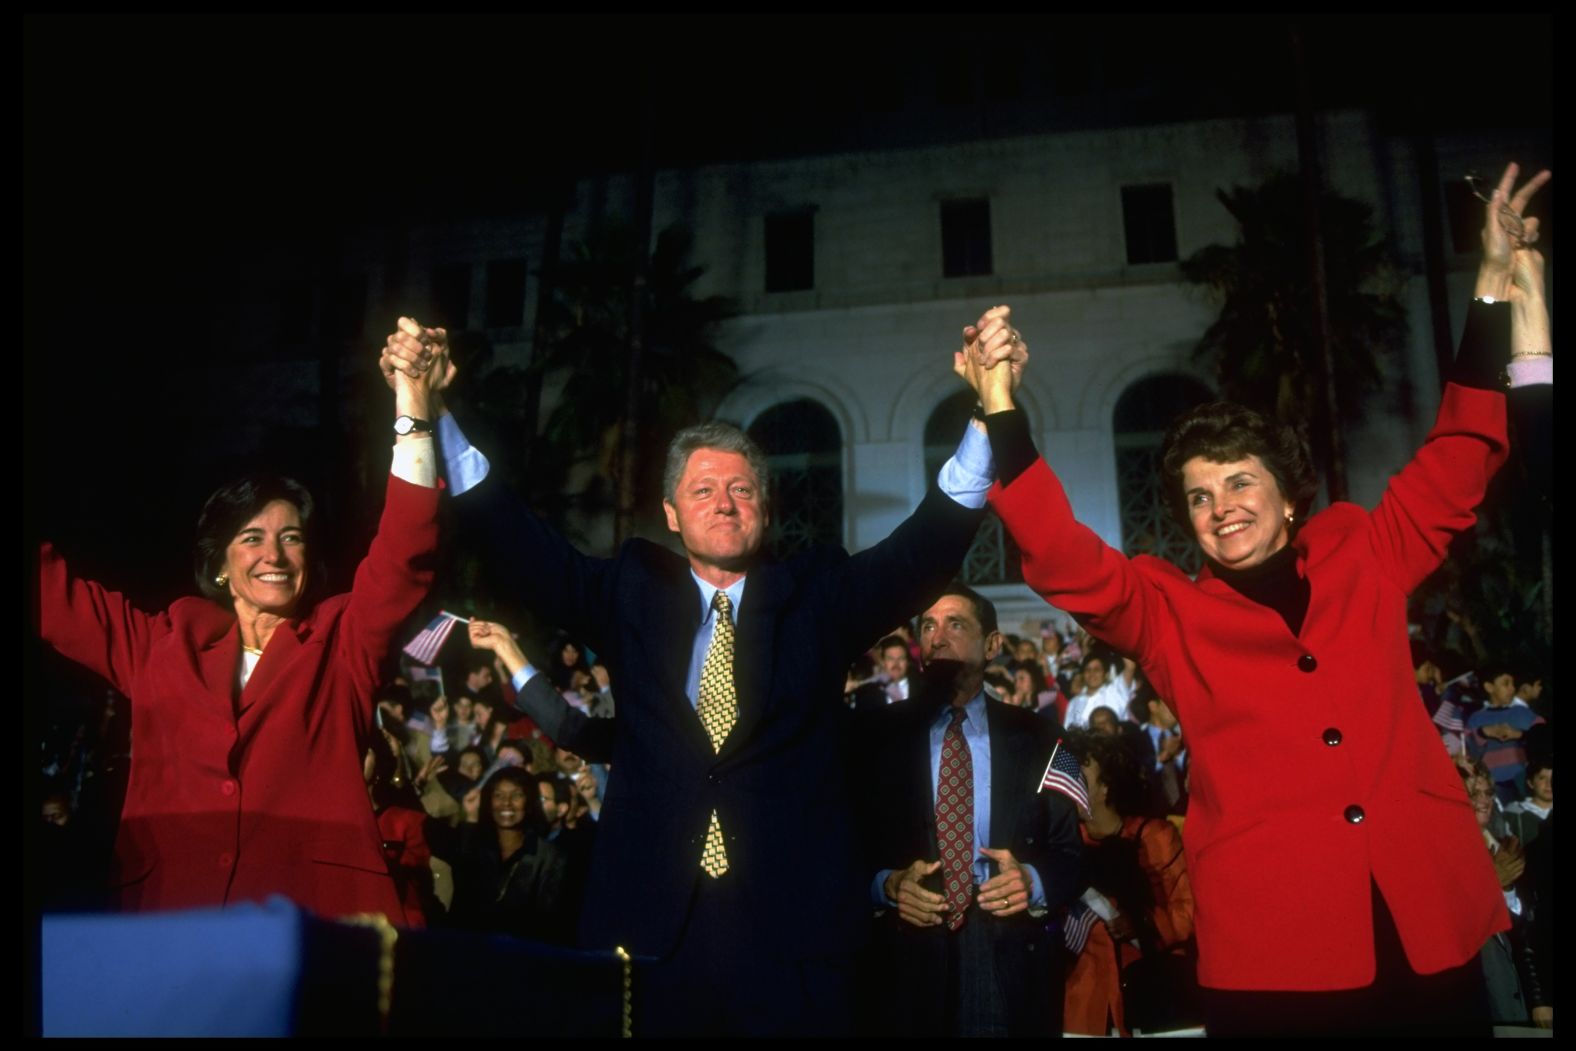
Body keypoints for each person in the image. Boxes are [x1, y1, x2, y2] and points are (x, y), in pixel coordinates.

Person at [959, 163, 1551, 1035]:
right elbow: (1061, 555)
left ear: (1287, 492)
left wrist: (1493, 285)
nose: (1221, 507)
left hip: (1427, 921)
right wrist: (1002, 406)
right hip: (1277, 950)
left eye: (1241, 482)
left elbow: (1460, 451)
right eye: (1199, 496)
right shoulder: (1168, 610)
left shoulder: (1363, 550)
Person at [385, 309, 1022, 1036]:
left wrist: (986, 410)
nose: (725, 502)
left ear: (765, 509)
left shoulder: (816, 594)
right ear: (672, 513)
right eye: (703, 490)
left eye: (742, 489)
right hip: (653, 933)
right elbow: (519, 544)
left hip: (795, 942)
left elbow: (924, 548)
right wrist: (433, 412)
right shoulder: (630, 590)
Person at [33, 330, 448, 917]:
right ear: (220, 565)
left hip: (315, 929)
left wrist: (412, 405)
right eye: (251, 539)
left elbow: (407, 551)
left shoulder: (341, 643)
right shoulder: (160, 645)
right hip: (174, 926)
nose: (274, 556)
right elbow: (51, 596)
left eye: (291, 539)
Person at [855, 585, 1082, 1037]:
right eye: (929, 625)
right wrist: (887, 885)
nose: (938, 637)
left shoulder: (1049, 737)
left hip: (1006, 955)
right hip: (905, 958)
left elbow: (1073, 857)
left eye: (955, 624)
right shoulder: (873, 738)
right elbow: (839, 851)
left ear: (993, 645)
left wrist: (1033, 882)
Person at [1062, 732, 1195, 1036]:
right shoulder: (1064, 843)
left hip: (1152, 998)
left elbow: (1187, 911)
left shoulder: (1153, 836)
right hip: (1084, 1004)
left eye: (1079, 776)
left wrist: (1142, 923)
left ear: (1106, 786)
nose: (1068, 785)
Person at [428, 766, 572, 944]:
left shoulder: (551, 857)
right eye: (498, 795)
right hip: (465, 955)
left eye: (517, 795)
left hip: (519, 960)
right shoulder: (472, 846)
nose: (507, 803)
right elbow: (422, 832)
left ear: (529, 802)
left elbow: (549, 926)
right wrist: (471, 817)